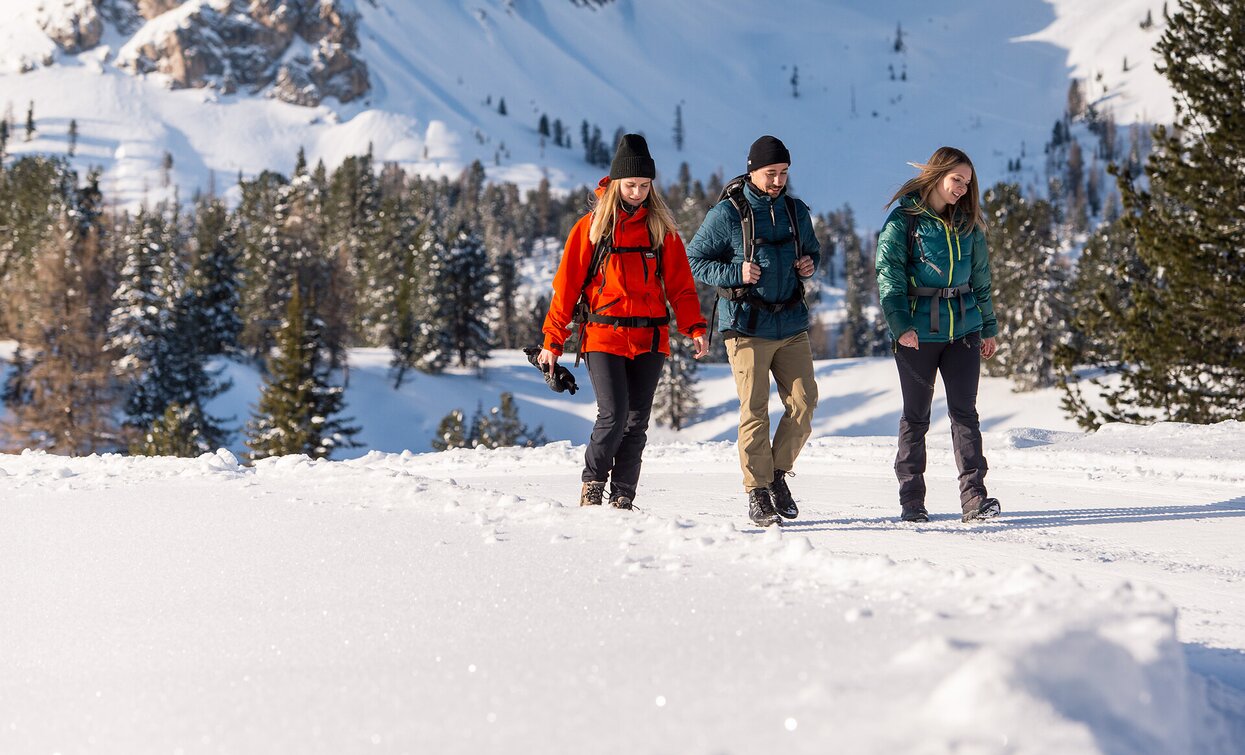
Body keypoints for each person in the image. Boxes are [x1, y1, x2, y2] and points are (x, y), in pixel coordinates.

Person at [539, 134, 708, 510]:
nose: (637, 192)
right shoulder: (592, 227)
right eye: (630, 185)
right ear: (616, 184)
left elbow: (680, 285)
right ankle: (593, 485)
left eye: (644, 185)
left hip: (650, 338)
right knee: (613, 416)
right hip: (603, 334)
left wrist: (694, 326)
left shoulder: (661, 227)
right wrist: (553, 341)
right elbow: (565, 289)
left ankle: (623, 495)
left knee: (636, 423)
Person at [686, 135, 821, 527]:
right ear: (752, 171)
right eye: (771, 174)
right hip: (745, 325)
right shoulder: (727, 214)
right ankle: (758, 492)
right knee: (755, 409)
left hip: (792, 323)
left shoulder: (796, 212)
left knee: (805, 402)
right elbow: (695, 259)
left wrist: (810, 262)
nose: (778, 181)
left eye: (783, 173)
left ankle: (777, 475)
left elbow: (814, 249)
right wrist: (734, 273)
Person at [875, 146, 1001, 524]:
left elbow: (981, 279)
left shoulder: (968, 224)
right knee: (916, 417)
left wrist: (989, 327)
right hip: (918, 332)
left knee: (966, 414)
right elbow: (889, 275)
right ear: (937, 175)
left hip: (964, 329)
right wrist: (900, 326)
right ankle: (912, 500)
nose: (962, 188)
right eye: (956, 180)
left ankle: (974, 498)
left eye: (967, 182)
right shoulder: (904, 222)